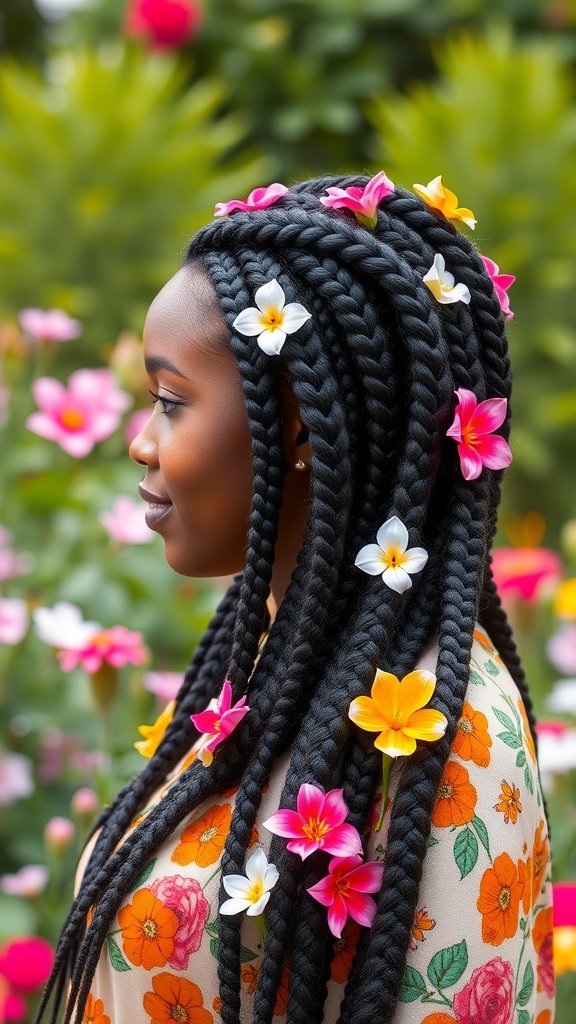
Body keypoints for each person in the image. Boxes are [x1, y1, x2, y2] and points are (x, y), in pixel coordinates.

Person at [37, 173, 554, 1024]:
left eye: (170, 401)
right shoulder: (278, 652)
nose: (139, 440)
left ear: (304, 428)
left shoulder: (443, 733)